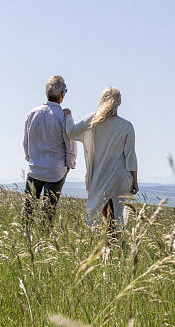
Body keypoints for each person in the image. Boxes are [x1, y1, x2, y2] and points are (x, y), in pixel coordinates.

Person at [64, 86, 138, 227]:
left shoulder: (93, 120)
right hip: (120, 177)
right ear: (119, 103)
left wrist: (68, 115)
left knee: (104, 212)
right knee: (117, 218)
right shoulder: (127, 126)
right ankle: (116, 246)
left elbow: (72, 132)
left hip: (100, 175)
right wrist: (135, 181)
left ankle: (106, 246)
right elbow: (130, 157)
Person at [22, 75, 76, 226]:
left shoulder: (33, 113)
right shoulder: (64, 116)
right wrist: (69, 165)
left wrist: (31, 158)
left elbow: (26, 142)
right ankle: (44, 242)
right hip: (56, 170)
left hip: (35, 168)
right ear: (62, 95)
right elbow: (70, 143)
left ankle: (25, 241)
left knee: (28, 210)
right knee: (48, 213)